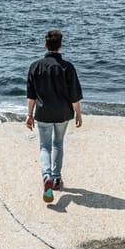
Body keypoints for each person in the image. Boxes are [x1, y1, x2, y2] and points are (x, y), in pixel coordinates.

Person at [25, 29, 83, 203]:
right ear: (60, 45)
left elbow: (31, 95)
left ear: (45, 45)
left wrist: (29, 114)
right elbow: (74, 95)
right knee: (58, 143)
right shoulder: (67, 67)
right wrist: (78, 113)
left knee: (44, 146)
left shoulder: (35, 66)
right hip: (63, 113)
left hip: (43, 113)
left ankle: (46, 177)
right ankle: (57, 179)